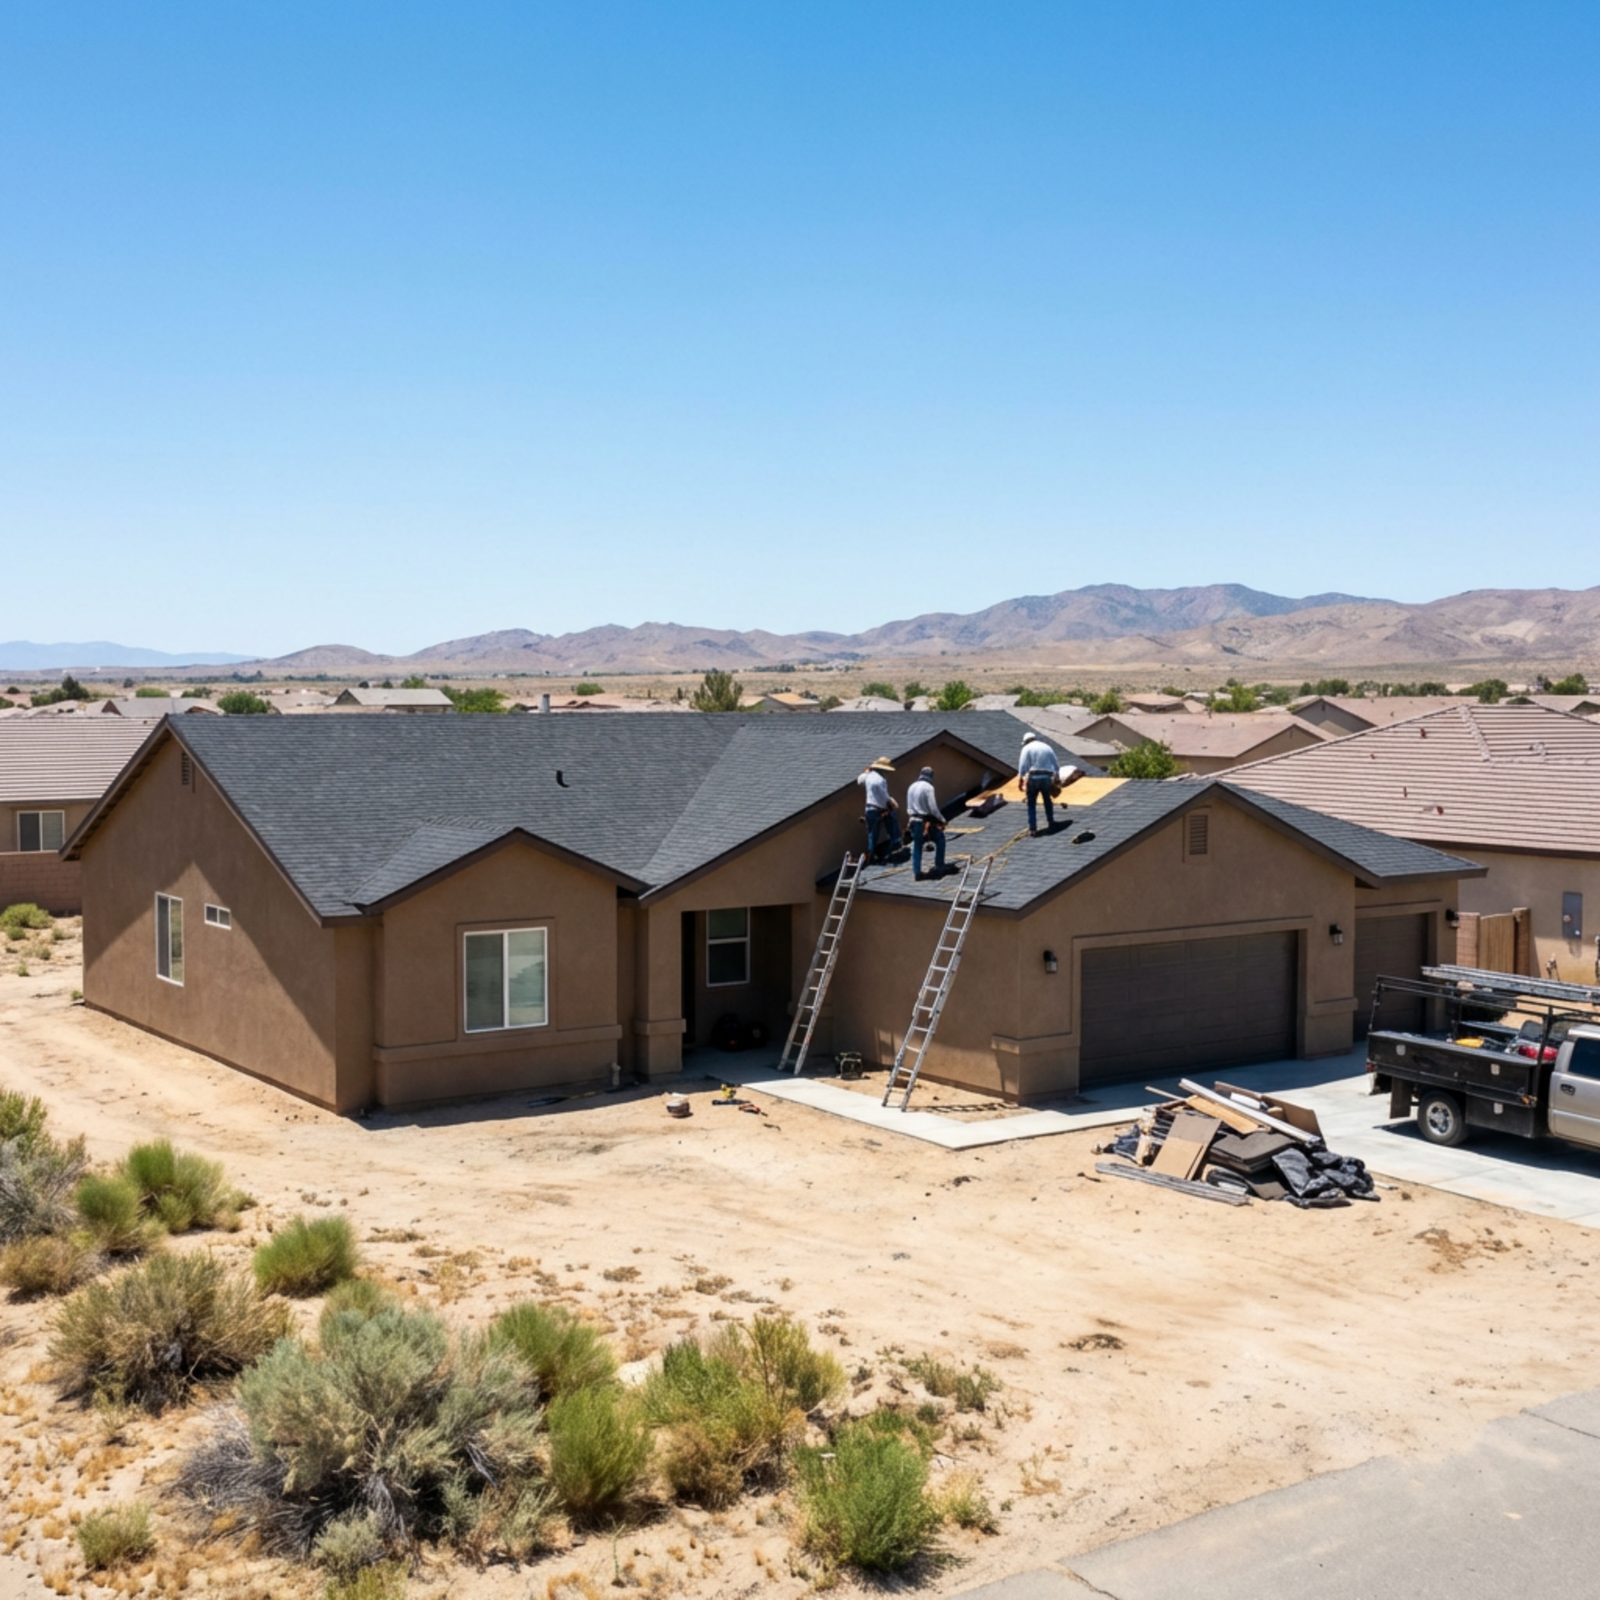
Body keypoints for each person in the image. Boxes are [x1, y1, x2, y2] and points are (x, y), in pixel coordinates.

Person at [856, 756, 901, 862]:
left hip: (869, 808)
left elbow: (859, 781)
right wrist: (891, 803)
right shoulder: (881, 780)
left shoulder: (868, 776)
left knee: (872, 834)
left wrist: (867, 772)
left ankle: (871, 855)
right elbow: (884, 796)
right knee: (892, 826)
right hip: (880, 808)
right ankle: (894, 849)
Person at [905, 765, 946, 880]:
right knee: (940, 839)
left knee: (917, 846)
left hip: (913, 820)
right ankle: (939, 866)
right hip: (924, 821)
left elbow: (908, 806)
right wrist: (942, 820)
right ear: (930, 776)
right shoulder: (928, 788)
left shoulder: (911, 786)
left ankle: (917, 872)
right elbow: (933, 808)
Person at [1017, 731, 1062, 835]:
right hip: (1047, 777)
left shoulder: (1026, 748)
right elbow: (1056, 764)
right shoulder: (1047, 747)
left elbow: (1022, 766)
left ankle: (1033, 829)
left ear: (1026, 741)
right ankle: (1051, 821)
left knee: (1031, 803)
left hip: (1033, 777)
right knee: (1047, 800)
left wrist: (1020, 780)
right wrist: (1057, 778)